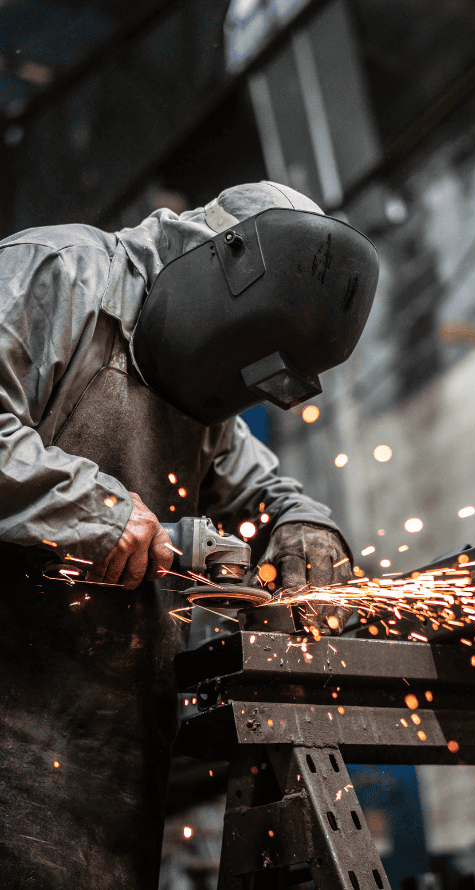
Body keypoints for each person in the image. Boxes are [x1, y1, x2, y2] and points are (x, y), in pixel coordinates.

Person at [0, 181, 379, 888]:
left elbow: (268, 490)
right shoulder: (58, 273)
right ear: (219, 264)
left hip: (108, 752)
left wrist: (305, 526)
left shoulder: (205, 399)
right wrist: (100, 513)